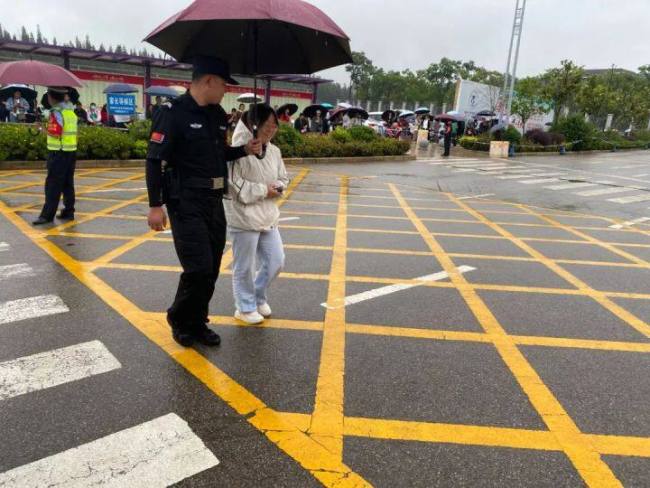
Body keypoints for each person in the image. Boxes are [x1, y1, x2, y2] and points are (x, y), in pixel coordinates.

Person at [145, 55, 262, 348]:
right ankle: (179, 318)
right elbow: (154, 160)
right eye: (223, 84)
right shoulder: (172, 113)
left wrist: (245, 150)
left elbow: (219, 154)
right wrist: (155, 204)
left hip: (213, 200)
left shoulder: (216, 114)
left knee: (211, 267)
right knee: (197, 266)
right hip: (184, 200)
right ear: (208, 81)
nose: (226, 90)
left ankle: (198, 322)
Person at [225, 104, 289, 324]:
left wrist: (278, 188)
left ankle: (257, 296)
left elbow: (284, 178)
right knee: (244, 266)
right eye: (266, 125)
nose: (271, 129)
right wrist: (264, 191)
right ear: (254, 125)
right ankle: (244, 307)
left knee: (276, 261)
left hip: (268, 215)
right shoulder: (239, 148)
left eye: (274, 125)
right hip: (243, 217)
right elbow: (233, 185)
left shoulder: (274, 151)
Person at [33, 87, 78, 225]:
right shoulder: (70, 111)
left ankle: (47, 216)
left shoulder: (56, 112)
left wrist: (41, 129)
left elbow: (55, 133)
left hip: (58, 152)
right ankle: (68, 212)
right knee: (67, 183)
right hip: (70, 151)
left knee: (52, 185)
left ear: (51, 98)